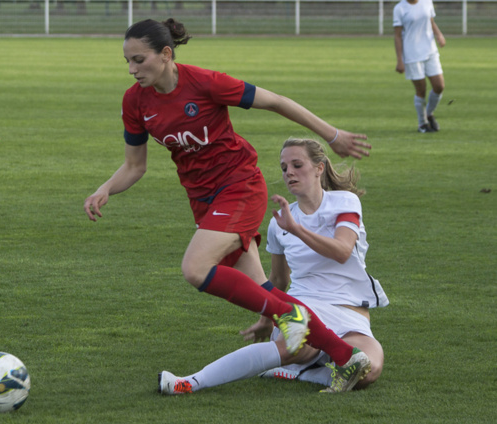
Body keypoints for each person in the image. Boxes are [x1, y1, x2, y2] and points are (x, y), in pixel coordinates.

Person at [84, 18, 373, 391]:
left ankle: (291, 314)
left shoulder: (205, 82)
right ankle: (346, 358)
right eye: (127, 61)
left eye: (139, 60)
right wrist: (106, 188)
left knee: (195, 267)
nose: (131, 69)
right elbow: (134, 166)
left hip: (239, 186)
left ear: (166, 54)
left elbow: (277, 102)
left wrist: (332, 135)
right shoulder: (135, 102)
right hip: (203, 201)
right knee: (264, 292)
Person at [159, 138, 388, 394]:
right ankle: (189, 382)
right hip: (305, 308)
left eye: (297, 164)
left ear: (319, 168)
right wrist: (268, 320)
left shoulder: (344, 201)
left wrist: (297, 230)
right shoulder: (279, 223)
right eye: (284, 167)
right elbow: (277, 281)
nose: (289, 172)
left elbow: (342, 251)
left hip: (351, 313)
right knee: (297, 347)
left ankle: (301, 373)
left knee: (369, 370)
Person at [393, 0, 446, 133]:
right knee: (421, 90)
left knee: (439, 86)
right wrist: (399, 60)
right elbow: (397, 36)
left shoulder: (427, 2)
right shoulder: (399, 8)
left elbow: (431, 22)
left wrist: (439, 34)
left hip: (430, 51)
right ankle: (422, 124)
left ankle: (428, 114)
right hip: (412, 54)